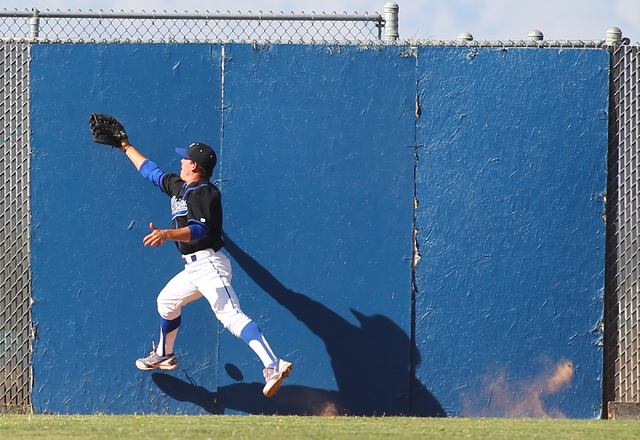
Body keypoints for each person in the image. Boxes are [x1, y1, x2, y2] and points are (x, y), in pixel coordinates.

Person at [116, 137, 292, 397]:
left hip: (210, 265)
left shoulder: (205, 192)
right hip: (193, 269)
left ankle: (272, 364)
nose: (181, 160)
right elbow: (151, 172)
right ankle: (165, 354)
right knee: (166, 301)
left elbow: (199, 230)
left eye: (185, 158)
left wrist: (167, 234)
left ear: (195, 166)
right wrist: (125, 146)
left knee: (231, 316)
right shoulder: (179, 187)